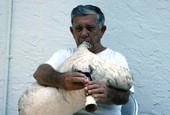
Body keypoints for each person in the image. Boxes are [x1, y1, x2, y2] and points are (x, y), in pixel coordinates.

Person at [33, 5, 133, 115]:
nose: (84, 34)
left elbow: (125, 97)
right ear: (72, 32)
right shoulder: (65, 54)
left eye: (90, 28)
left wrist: (109, 93)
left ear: (102, 30)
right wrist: (60, 80)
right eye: (79, 29)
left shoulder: (115, 58)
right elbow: (40, 73)